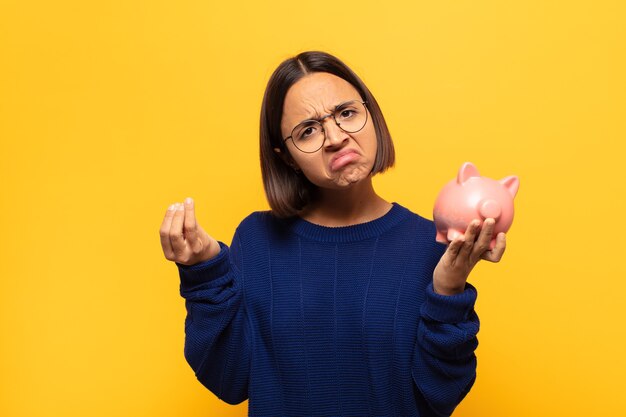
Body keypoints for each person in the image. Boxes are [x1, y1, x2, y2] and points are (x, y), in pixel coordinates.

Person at [159, 51, 506, 417]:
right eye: (308, 130)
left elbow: (442, 393)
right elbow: (229, 381)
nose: (336, 137)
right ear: (287, 157)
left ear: (370, 114)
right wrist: (204, 272)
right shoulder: (257, 239)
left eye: (346, 113)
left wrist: (449, 289)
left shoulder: (431, 244)